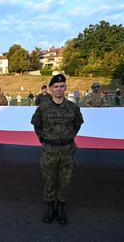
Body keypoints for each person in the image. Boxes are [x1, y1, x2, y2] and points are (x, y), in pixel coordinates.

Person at [31, 74, 84, 225]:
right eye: (56, 87)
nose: (59, 89)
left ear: (65, 88)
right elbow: (37, 125)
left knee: (65, 180)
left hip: (67, 150)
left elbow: (77, 124)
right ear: (50, 89)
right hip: (49, 150)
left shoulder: (73, 107)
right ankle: (50, 208)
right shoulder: (43, 107)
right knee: (49, 179)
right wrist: (44, 140)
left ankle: (60, 208)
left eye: (62, 86)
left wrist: (69, 136)